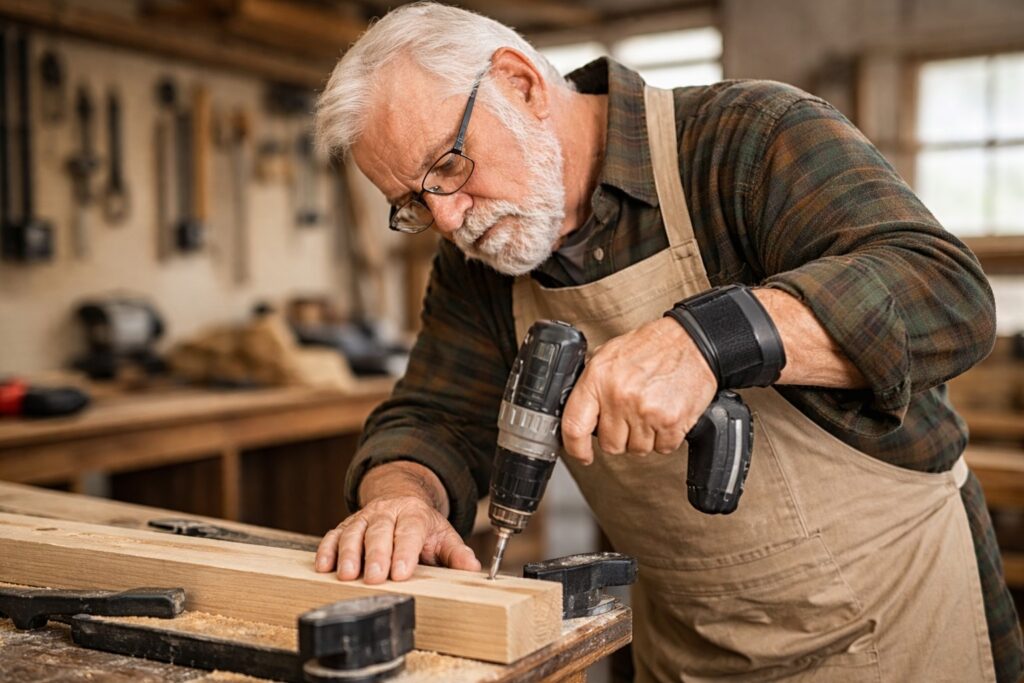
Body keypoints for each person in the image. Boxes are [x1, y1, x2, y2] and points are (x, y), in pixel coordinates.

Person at [312, 3, 1023, 681]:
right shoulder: (479, 263)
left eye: (448, 166)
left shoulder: (746, 138)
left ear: (520, 84)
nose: (446, 218)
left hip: (892, 624)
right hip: (688, 645)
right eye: (411, 202)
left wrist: (707, 340)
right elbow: (432, 415)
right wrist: (403, 497)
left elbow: (945, 292)